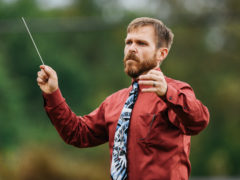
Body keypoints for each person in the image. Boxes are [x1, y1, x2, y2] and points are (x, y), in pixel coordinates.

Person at [37, 17, 210, 180]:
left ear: (161, 54)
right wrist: (53, 93)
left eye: (141, 43)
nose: (132, 48)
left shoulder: (176, 91)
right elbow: (77, 134)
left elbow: (198, 121)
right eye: (129, 42)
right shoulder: (114, 102)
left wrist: (167, 93)